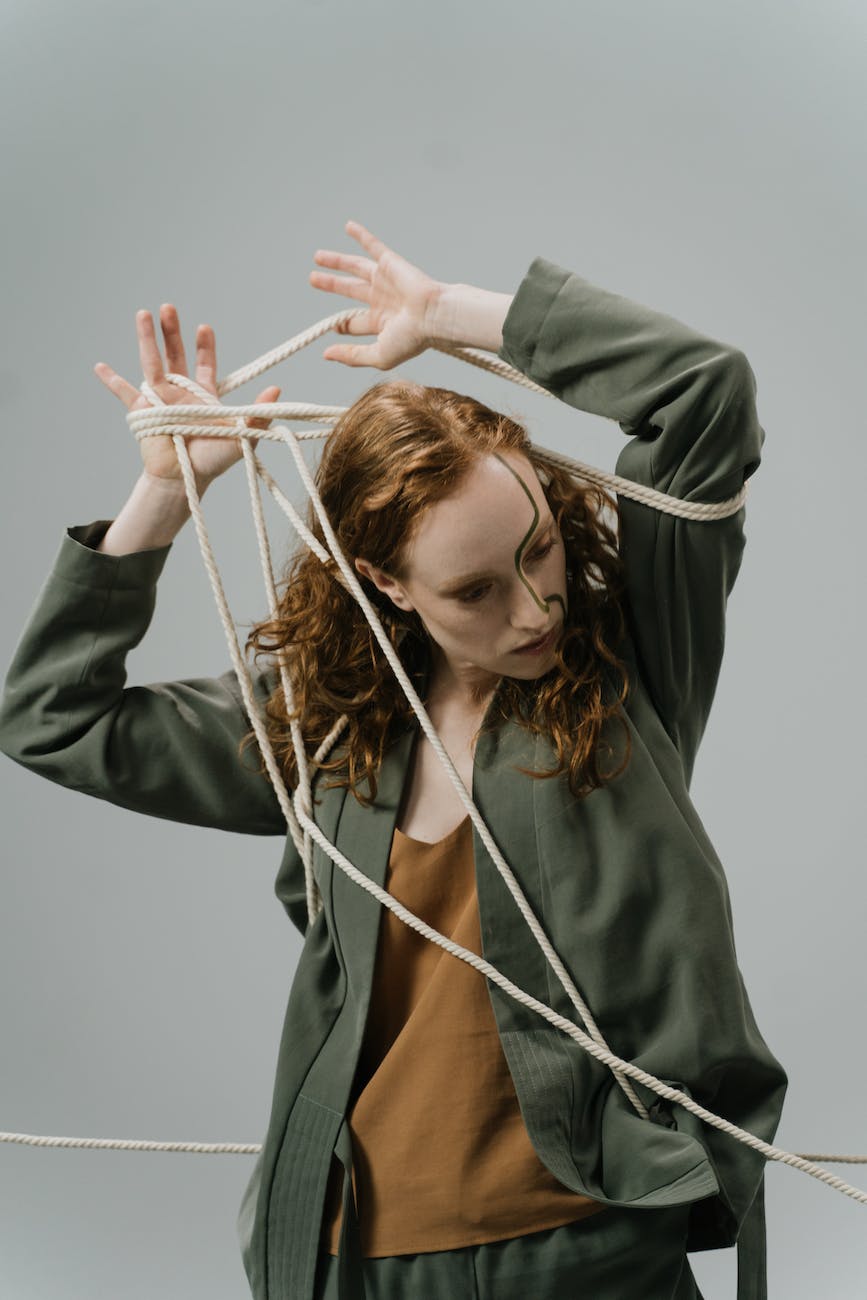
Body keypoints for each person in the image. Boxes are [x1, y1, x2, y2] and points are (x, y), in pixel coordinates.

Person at [0, 220, 789, 1300]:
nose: (536, 609)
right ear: (386, 583)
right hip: (353, 1256)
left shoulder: (627, 664)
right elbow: (51, 716)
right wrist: (167, 493)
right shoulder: (329, 728)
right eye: (475, 591)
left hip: (591, 1241)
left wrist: (447, 315)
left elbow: (707, 391)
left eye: (542, 548)